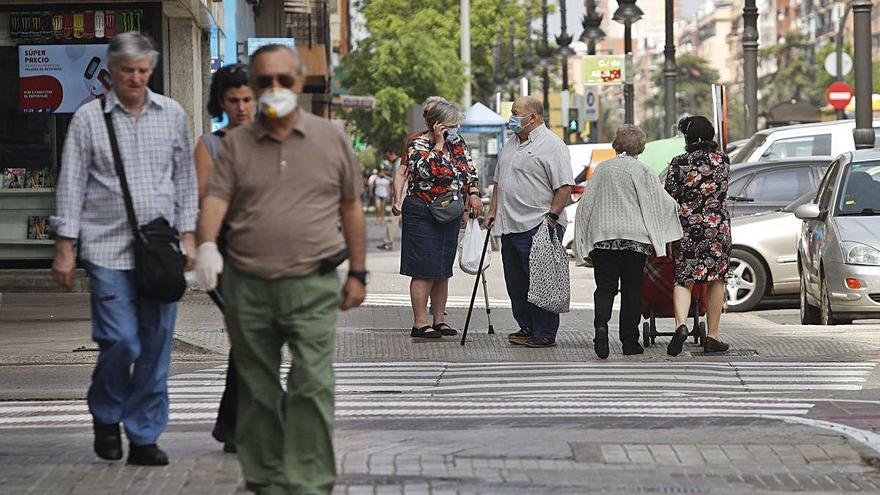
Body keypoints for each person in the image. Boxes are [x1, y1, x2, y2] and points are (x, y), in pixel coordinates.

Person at [195, 43, 366, 495]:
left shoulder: (331, 138)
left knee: (312, 383)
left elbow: (351, 206)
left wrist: (359, 272)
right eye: (264, 80)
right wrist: (207, 245)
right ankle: (267, 479)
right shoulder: (236, 144)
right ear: (253, 86)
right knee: (257, 389)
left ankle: (309, 482)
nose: (274, 88)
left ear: (299, 83)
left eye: (283, 80)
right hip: (247, 285)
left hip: (312, 282)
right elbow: (215, 197)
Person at [52, 32, 197, 466]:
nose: (135, 78)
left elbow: (185, 178)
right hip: (106, 248)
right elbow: (71, 182)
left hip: (160, 250)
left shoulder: (171, 113)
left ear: (150, 71)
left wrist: (189, 236)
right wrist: (65, 246)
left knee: (155, 345)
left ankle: (144, 434)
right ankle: (105, 411)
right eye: (127, 71)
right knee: (120, 341)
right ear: (111, 72)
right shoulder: (89, 118)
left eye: (142, 71)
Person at [573, 125, 683, 359]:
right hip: (635, 241)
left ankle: (601, 327)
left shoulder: (602, 169)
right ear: (641, 147)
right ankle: (629, 341)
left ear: (616, 144)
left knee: (605, 288)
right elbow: (661, 203)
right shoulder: (644, 171)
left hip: (604, 240)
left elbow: (586, 204)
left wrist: (583, 239)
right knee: (632, 290)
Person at [193, 63, 256, 453]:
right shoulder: (210, 145)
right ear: (221, 102)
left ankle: (231, 424)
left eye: (248, 99)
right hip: (226, 253)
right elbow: (204, 202)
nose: (242, 107)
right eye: (233, 100)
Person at [484, 96, 574, 348]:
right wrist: (493, 210)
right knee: (516, 281)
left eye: (515, 113)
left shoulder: (552, 145)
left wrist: (552, 218)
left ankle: (545, 331)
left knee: (541, 280)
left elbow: (565, 186)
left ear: (532, 117)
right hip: (510, 224)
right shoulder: (511, 144)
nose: (511, 118)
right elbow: (499, 182)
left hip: (539, 224)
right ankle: (527, 325)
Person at [401, 99, 482, 338]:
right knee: (424, 268)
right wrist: (437, 144)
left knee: (442, 269)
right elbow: (425, 170)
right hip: (422, 210)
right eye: (451, 125)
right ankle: (420, 322)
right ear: (437, 125)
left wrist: (474, 193)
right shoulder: (419, 143)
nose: (455, 129)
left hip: (449, 210)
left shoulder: (457, 144)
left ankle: (439, 319)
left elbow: (469, 170)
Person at [664, 116, 731, 356]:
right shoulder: (723, 160)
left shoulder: (678, 163)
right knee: (717, 279)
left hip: (687, 229)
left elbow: (669, 196)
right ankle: (712, 335)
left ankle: (681, 325)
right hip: (717, 229)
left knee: (684, 279)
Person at [378, 149, 402, 250]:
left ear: (392, 154)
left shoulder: (398, 163)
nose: (388, 159)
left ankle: (388, 243)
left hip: (399, 194)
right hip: (402, 193)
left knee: (393, 218)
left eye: (388, 156)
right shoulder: (396, 163)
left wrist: (385, 177)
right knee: (402, 221)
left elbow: (397, 180)